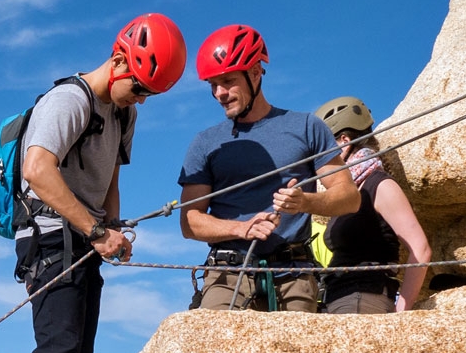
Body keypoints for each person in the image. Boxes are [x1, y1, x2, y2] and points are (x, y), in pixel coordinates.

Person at [0, 13, 187, 353]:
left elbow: (111, 180)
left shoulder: (125, 113)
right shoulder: (69, 100)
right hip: (50, 236)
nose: (142, 98)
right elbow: (37, 170)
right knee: (56, 352)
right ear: (120, 59)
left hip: (85, 236)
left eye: (150, 93)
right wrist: (95, 229)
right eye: (140, 87)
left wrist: (114, 228)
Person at [176, 25, 358, 311]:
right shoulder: (205, 142)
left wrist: (306, 201)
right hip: (228, 273)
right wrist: (242, 228)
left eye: (227, 81)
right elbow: (190, 221)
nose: (219, 93)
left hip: (294, 272)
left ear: (256, 72)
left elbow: (349, 197)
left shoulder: (307, 127)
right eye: (213, 84)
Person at [312, 96, 433, 313]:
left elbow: (420, 248)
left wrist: (401, 312)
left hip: (363, 297)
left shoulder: (379, 184)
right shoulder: (351, 190)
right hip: (341, 295)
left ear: (344, 141)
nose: (320, 161)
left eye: (324, 149)